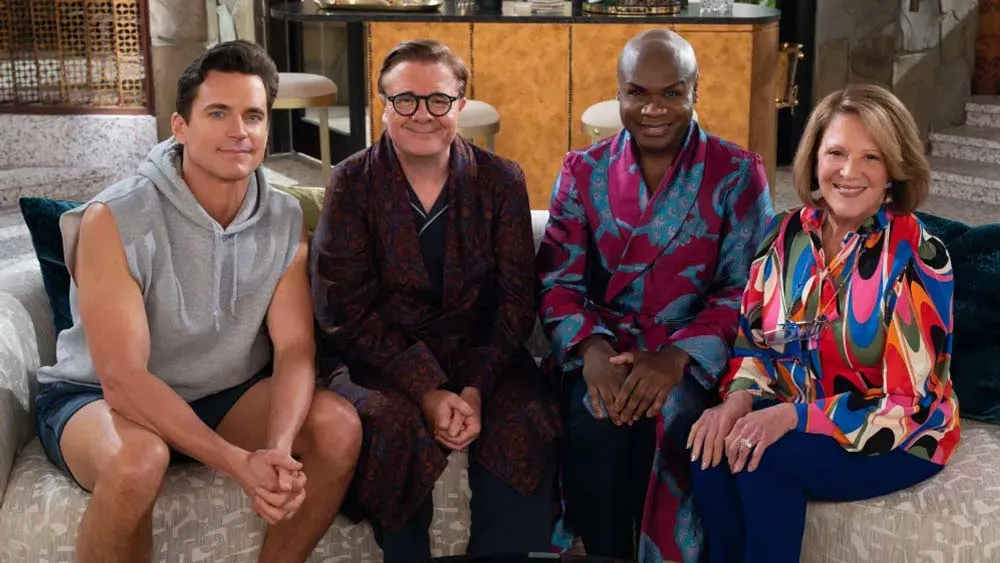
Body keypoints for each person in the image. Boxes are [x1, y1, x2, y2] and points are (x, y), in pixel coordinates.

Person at [32, 40, 362, 563]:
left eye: (253, 115)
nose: (239, 131)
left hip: (222, 394)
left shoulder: (283, 218)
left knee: (337, 429)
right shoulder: (115, 217)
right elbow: (124, 379)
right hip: (97, 398)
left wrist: (277, 450)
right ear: (180, 127)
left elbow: (296, 348)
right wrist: (237, 463)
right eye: (218, 113)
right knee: (140, 461)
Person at [687, 83, 961, 563]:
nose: (849, 172)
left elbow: (906, 401)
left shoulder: (917, 254)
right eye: (836, 152)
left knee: (765, 459)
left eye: (871, 157)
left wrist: (789, 418)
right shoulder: (784, 235)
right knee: (709, 451)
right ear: (814, 158)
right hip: (794, 407)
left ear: (894, 170)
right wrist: (738, 400)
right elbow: (753, 344)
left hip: (899, 432)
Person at [310, 39, 560, 563]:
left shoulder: (501, 181)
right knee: (391, 423)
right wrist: (426, 389)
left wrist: (472, 389)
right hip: (379, 359)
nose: (422, 114)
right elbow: (342, 310)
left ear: (460, 105)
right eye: (405, 100)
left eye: (438, 100)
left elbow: (516, 301)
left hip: (479, 353)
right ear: (383, 106)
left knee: (527, 415)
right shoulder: (351, 182)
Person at [536, 29, 774, 563]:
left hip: (688, 353)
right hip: (603, 347)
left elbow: (746, 288)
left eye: (672, 92)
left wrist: (675, 359)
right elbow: (558, 282)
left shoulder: (738, 173)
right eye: (638, 92)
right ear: (618, 92)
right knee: (594, 418)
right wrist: (592, 352)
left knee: (664, 418)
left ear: (695, 91)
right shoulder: (582, 170)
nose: (654, 108)